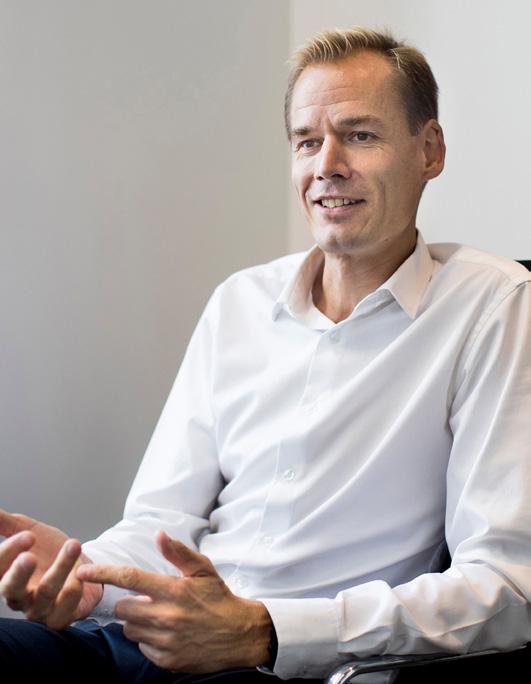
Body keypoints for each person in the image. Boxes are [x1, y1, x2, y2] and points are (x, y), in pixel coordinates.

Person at [1, 26, 530, 684]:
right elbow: (164, 521)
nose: (326, 164)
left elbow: (507, 587)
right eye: (306, 141)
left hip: (279, 670)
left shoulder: (491, 303)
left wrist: (264, 630)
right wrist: (89, 580)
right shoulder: (239, 301)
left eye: (360, 135)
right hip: (138, 643)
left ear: (429, 150)